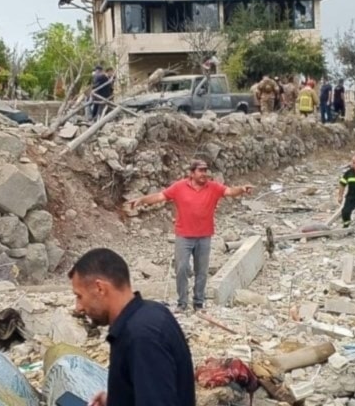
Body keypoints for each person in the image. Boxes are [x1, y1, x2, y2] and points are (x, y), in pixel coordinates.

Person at [68, 248, 195, 406]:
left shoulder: (141, 337)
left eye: (79, 296)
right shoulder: (151, 312)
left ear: (100, 288)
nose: (78, 307)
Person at [127, 160, 253, 312]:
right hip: (184, 236)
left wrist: (242, 189)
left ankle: (198, 303)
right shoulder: (179, 187)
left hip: (204, 236)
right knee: (181, 268)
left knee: (202, 270)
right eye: (200, 170)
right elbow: (160, 197)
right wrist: (142, 200)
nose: (204, 174)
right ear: (192, 173)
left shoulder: (213, 187)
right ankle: (182, 302)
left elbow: (230, 192)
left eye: (205, 170)